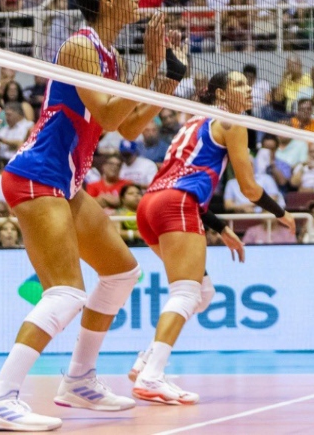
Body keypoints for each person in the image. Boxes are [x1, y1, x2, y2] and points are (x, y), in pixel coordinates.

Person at [0, 0, 183, 432]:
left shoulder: (110, 57)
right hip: (36, 176)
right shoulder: (79, 46)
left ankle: (79, 381)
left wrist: (166, 78)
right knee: (65, 291)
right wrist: (150, 65)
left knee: (121, 271)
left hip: (63, 183)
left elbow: (129, 128)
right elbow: (110, 115)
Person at [127, 71, 291, 404]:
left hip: (150, 205)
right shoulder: (232, 122)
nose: (247, 90)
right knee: (186, 293)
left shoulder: (192, 122)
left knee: (203, 292)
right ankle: (152, 376)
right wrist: (279, 211)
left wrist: (220, 226)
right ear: (220, 94)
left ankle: (146, 359)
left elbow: (184, 177)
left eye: (248, 85)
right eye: (239, 86)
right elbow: (248, 188)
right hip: (176, 204)